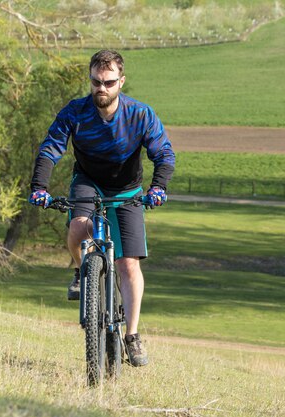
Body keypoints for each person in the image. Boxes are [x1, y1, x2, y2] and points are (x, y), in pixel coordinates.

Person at [28, 50, 175, 367]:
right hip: (88, 182)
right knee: (79, 226)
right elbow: (51, 148)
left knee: (128, 265)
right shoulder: (75, 112)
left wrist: (158, 188)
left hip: (128, 190)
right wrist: (39, 187)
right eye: (96, 81)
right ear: (90, 80)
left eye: (108, 82)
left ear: (121, 82)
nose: (101, 88)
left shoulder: (140, 115)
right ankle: (82, 270)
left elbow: (163, 153)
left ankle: (132, 335)